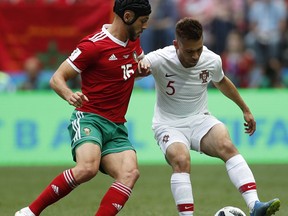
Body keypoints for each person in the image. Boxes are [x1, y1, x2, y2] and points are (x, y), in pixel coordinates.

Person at [15, 0, 151, 215]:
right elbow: (57, 78)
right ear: (127, 17)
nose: (145, 26)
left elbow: (133, 65)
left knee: (130, 172)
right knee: (87, 168)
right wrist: (69, 94)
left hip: (116, 126)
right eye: (143, 21)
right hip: (90, 118)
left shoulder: (133, 41)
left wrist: (142, 67)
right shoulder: (93, 45)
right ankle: (29, 212)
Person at [138, 17, 280, 216]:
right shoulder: (159, 59)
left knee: (226, 145)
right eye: (189, 51)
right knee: (181, 160)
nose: (196, 55)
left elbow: (222, 82)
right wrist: (137, 68)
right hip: (169, 124)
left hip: (200, 119)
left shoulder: (211, 59)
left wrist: (245, 109)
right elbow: (130, 72)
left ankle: (255, 205)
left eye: (199, 48)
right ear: (176, 44)